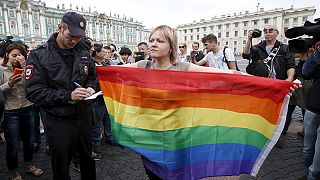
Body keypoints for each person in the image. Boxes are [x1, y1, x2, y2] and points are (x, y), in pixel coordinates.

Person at [122, 25, 299, 179]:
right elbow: (112, 72)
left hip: (176, 132)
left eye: (160, 41)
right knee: (152, 170)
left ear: (171, 47)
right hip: (149, 132)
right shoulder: (142, 66)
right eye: (151, 40)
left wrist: (277, 85)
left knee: (175, 171)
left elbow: (229, 75)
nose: (153, 43)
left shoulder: (182, 68)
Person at [25, 12, 97, 180]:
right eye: (71, 36)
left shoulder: (84, 52)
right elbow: (33, 91)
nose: (74, 41)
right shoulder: (39, 55)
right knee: (61, 163)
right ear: (60, 28)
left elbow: (93, 77)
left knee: (87, 159)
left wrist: (90, 89)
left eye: (79, 37)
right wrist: (67, 96)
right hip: (58, 120)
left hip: (83, 116)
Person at [0, 43, 43, 180]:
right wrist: (9, 84)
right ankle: (14, 172)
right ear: (7, 55)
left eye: (20, 56)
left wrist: (25, 67)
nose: (16, 58)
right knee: (12, 144)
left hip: (27, 108)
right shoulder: (1, 70)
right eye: (13, 55)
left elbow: (35, 84)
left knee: (29, 141)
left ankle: (30, 165)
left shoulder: (28, 68)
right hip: (10, 111)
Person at [301, 41, 320, 180]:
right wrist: (317, 52)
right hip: (313, 107)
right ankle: (307, 172)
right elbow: (306, 73)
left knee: (318, 160)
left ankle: (312, 176)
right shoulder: (317, 54)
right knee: (308, 150)